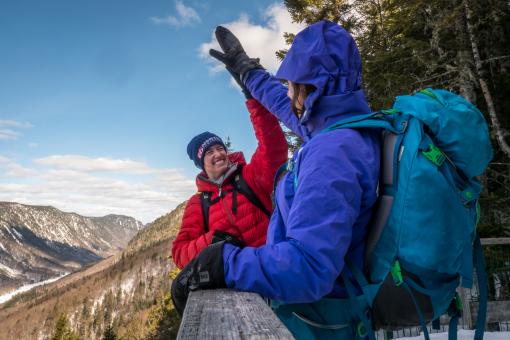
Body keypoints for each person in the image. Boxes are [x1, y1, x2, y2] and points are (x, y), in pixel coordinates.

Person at [172, 20, 381, 339]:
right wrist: (248, 75)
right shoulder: (341, 129)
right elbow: (286, 107)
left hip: (318, 317)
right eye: (207, 153)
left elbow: (309, 268)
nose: (286, 89)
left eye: (291, 81)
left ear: (308, 87)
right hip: (292, 298)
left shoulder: (330, 153)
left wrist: (225, 262)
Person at [171, 82, 288, 269]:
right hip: (236, 285)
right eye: (209, 152)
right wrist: (212, 240)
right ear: (201, 164)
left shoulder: (248, 176)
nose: (218, 154)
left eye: (220, 148)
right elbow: (179, 254)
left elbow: (273, 148)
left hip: (274, 270)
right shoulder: (199, 203)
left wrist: (254, 99)